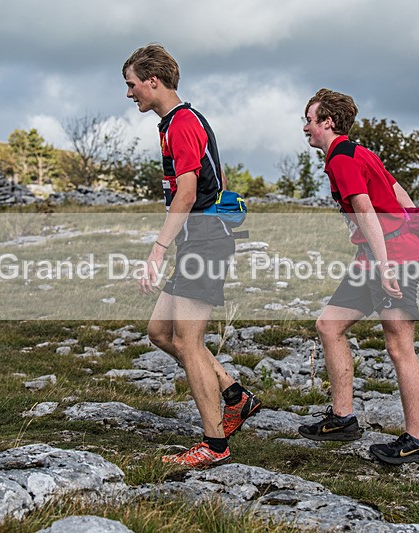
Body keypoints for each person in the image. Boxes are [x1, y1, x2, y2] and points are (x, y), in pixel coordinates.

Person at [297, 89, 419, 464]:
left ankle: (415, 441)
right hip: (376, 256)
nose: (305, 127)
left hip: (393, 257)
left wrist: (389, 264)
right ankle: (342, 418)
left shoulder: (343, 159)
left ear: (327, 122)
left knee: (399, 346)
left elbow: (367, 211)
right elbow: (400, 192)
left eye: (309, 119)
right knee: (328, 325)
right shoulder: (357, 152)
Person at [122, 44, 260, 468]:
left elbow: (185, 193)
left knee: (188, 341)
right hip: (197, 241)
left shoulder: (182, 124)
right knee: (161, 333)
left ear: (153, 81)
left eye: (131, 85)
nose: (129, 94)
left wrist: (157, 250)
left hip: (206, 240)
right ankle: (235, 396)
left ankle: (214, 446)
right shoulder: (170, 123)